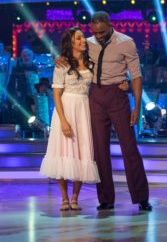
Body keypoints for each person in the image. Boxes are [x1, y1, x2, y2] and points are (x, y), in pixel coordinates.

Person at [55, 12, 152, 211]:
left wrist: (137, 105)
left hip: (117, 94)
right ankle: (106, 198)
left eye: (102, 32)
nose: (98, 36)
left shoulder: (126, 42)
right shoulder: (87, 43)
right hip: (95, 96)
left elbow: (136, 76)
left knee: (129, 147)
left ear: (110, 25)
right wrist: (59, 58)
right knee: (99, 149)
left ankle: (141, 197)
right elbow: (70, 54)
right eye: (95, 32)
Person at [39, 27, 100, 211]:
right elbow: (56, 94)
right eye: (79, 38)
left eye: (83, 37)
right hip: (65, 109)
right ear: (71, 42)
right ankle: (64, 198)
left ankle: (75, 198)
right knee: (63, 153)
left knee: (81, 153)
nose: (83, 40)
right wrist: (63, 121)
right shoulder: (62, 64)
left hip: (83, 110)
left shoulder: (91, 62)